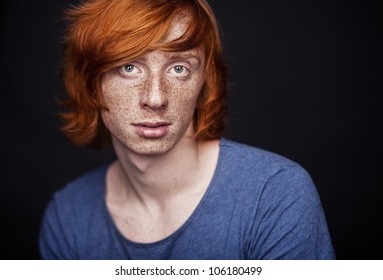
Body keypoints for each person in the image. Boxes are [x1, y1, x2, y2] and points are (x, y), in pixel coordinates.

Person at [39, 0, 335, 260]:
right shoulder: (69, 217)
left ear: (204, 82)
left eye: (178, 68)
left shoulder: (274, 195)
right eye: (129, 67)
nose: (155, 98)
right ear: (91, 84)